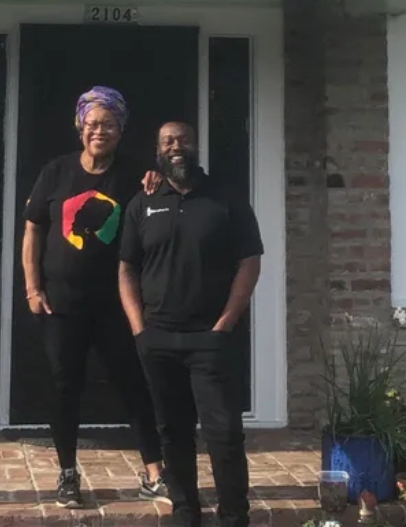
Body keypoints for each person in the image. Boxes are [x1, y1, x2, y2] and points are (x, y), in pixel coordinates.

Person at [22, 86, 167, 509]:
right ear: (79, 127)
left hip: (115, 304)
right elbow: (32, 229)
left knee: (133, 383)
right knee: (65, 386)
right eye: (92, 124)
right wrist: (33, 288)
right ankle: (68, 473)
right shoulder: (56, 172)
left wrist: (156, 181)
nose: (98, 131)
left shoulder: (136, 175)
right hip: (61, 304)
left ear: (121, 130)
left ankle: (154, 471)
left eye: (108, 124)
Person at [118, 121, 264, 527]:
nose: (176, 147)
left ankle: (234, 515)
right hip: (158, 338)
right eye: (167, 142)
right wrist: (139, 329)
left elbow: (249, 262)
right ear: (158, 150)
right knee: (173, 431)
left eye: (182, 140)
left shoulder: (226, 199)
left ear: (195, 146)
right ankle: (185, 511)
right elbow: (127, 268)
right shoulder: (143, 203)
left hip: (210, 339)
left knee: (224, 434)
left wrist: (225, 323)